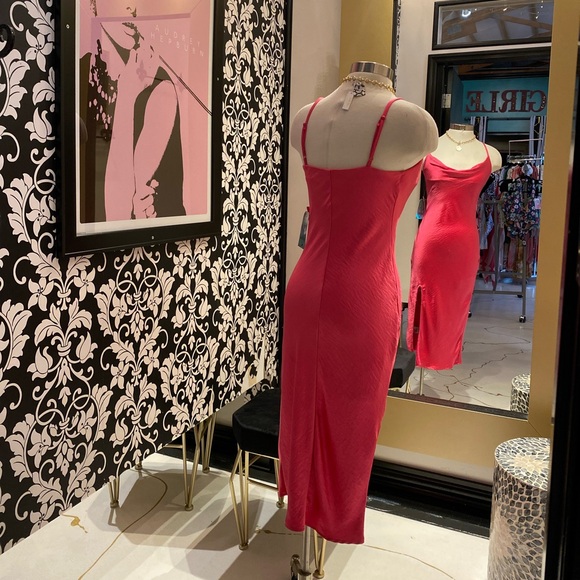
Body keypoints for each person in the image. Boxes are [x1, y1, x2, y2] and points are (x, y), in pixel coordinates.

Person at [278, 61, 438, 544]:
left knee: (307, 407)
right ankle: (333, 520)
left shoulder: (306, 118)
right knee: (353, 420)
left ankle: (306, 510)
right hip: (364, 294)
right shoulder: (413, 122)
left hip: (306, 290)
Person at [406, 123, 502, 370]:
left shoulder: (492, 155)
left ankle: (444, 355)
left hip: (463, 246)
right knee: (425, 300)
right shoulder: (427, 150)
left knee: (455, 304)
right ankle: (421, 355)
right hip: (431, 242)